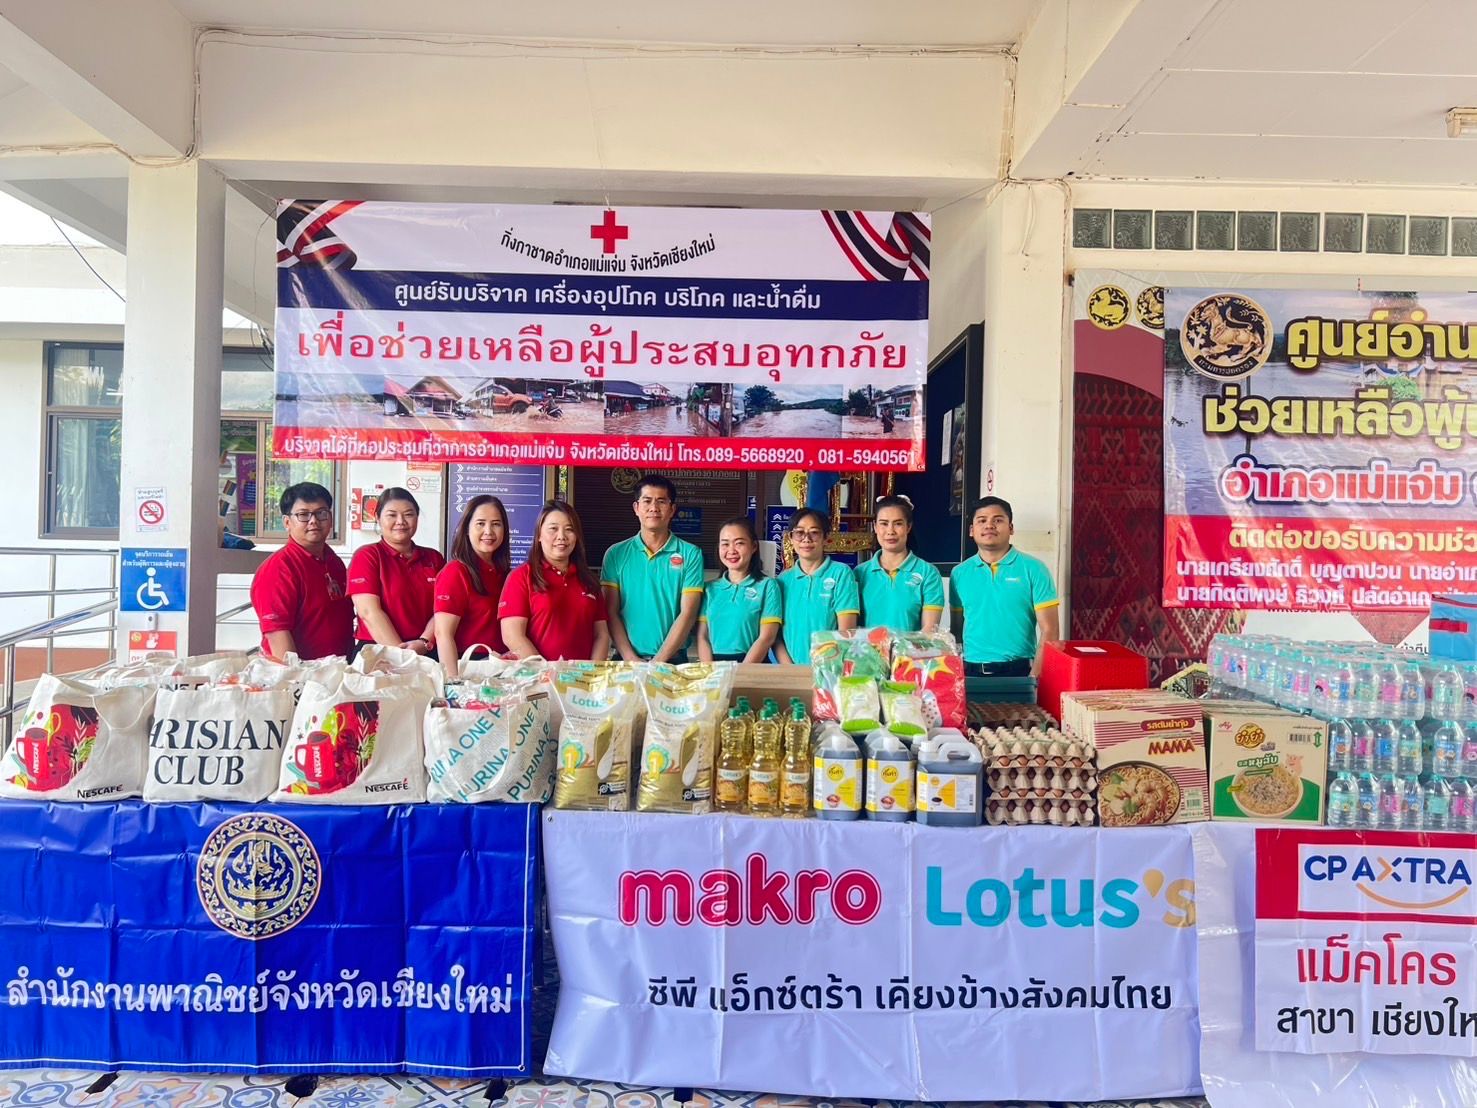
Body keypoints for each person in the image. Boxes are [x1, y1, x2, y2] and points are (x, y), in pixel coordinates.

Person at [949, 496, 1060, 677]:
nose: (989, 525)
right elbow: (956, 630)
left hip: (1020, 672)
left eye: (998, 520)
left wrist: (1034, 677)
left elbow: (1050, 630)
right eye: (982, 520)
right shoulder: (959, 573)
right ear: (971, 530)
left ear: (1011, 528)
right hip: (970, 673)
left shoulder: (1034, 569)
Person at [601, 474, 704, 663]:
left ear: (672, 509)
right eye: (647, 501)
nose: (654, 508)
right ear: (636, 508)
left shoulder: (691, 554)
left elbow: (688, 613)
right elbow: (610, 611)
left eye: (661, 501)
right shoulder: (615, 554)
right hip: (625, 660)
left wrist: (658, 662)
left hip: (673, 661)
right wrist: (631, 658)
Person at [249, 481, 352, 660]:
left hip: (338, 668)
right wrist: (296, 674)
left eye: (321, 513)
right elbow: (277, 634)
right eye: (303, 515)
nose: (314, 521)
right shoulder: (278, 569)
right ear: (287, 522)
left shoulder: (334, 562)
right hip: (301, 672)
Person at [499, 500, 611, 661]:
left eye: (569, 529)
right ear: (539, 535)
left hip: (583, 675)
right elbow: (512, 636)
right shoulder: (521, 577)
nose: (561, 536)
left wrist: (592, 671)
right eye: (553, 529)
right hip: (537, 674)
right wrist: (544, 671)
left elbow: (601, 634)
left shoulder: (589, 580)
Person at [346, 487, 444, 657]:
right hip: (379, 652)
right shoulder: (367, 556)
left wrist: (424, 642)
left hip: (425, 649)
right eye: (391, 515)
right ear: (378, 518)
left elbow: (443, 609)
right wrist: (403, 655)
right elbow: (369, 612)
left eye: (408, 514)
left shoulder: (434, 558)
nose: (401, 521)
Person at [434, 495, 511, 676]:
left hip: (500, 667)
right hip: (468, 667)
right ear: (467, 529)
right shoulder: (456, 572)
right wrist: (453, 682)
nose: (488, 531)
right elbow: (443, 634)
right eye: (480, 524)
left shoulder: (505, 573)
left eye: (496, 524)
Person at [773, 508, 860, 664]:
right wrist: (789, 668)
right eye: (799, 533)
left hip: (830, 669)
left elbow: (846, 632)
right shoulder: (782, 580)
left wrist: (826, 669)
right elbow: (775, 635)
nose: (806, 539)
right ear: (790, 538)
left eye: (814, 533)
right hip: (791, 669)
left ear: (826, 538)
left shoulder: (841, 573)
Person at [854, 495, 945, 633]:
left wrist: (903, 646)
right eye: (884, 524)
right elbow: (851, 628)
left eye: (898, 524)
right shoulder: (859, 574)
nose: (890, 531)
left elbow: (929, 630)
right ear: (875, 527)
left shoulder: (928, 573)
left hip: (911, 647)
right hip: (867, 647)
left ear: (908, 527)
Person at [697, 517, 782, 663]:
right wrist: (710, 670)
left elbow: (766, 638)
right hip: (715, 667)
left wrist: (741, 671)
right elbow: (702, 636)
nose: (731, 550)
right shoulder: (709, 589)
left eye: (739, 543)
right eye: (725, 544)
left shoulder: (768, 586)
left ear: (754, 546)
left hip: (753, 665)